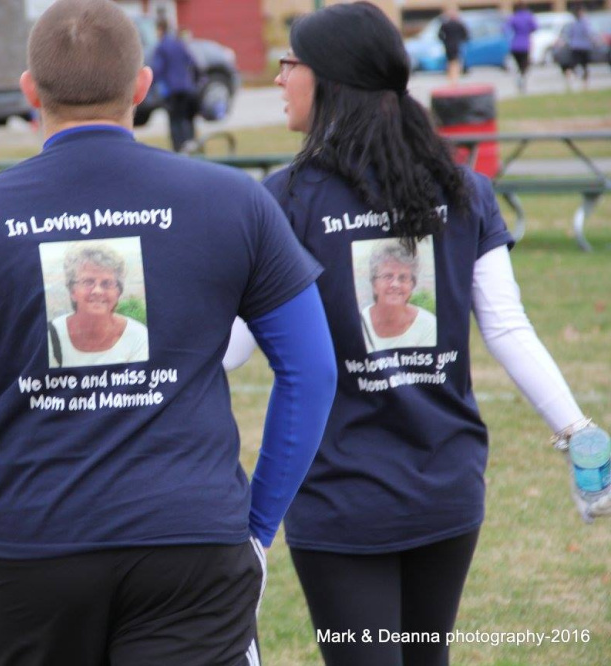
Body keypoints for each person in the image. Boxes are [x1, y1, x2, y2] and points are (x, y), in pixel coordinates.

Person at [0, 1, 337, 664]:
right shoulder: (234, 200)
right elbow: (312, 372)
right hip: (192, 541)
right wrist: (255, 524)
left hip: (34, 547)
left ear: (30, 92)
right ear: (142, 87)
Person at [256, 3, 608, 664]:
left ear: (332, 78)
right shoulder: (464, 190)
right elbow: (508, 327)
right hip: (444, 491)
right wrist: (576, 431)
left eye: (290, 62)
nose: (277, 78)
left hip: (344, 505)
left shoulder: (286, 202)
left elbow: (227, 352)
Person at [48, 242, 149, 367]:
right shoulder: (50, 337)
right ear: (72, 291)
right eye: (88, 282)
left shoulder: (138, 337)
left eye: (107, 283)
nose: (97, 291)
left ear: (118, 292)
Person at [360, 240, 437, 353]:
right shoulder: (360, 324)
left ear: (412, 285)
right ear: (374, 284)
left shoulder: (428, 326)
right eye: (388, 276)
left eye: (403, 278)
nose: (395, 284)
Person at [152, 17, 199, 152]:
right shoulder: (179, 43)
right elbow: (193, 62)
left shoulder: (161, 47)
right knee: (187, 118)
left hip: (171, 90)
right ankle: (191, 144)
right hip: (186, 87)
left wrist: (151, 85)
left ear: (160, 30)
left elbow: (158, 69)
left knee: (174, 120)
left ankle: (178, 148)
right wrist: (194, 81)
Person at [559, 6, 597, 90]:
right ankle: (584, 83)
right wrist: (594, 41)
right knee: (583, 66)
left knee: (575, 65)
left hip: (576, 47)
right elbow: (589, 33)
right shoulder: (584, 23)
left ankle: (578, 81)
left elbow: (568, 35)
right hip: (583, 47)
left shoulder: (574, 23)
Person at [505, 2, 537, 93]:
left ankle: (520, 78)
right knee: (525, 64)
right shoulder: (528, 16)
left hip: (515, 44)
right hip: (525, 44)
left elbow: (505, 28)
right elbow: (535, 27)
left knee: (519, 65)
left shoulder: (513, 17)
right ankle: (522, 78)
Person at [438, 8, 469, 85]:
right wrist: (461, 40)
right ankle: (455, 78)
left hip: (447, 45)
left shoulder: (445, 24)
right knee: (455, 61)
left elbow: (439, 35)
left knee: (449, 61)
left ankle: (450, 77)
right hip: (456, 45)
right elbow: (466, 35)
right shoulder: (459, 24)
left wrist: (444, 41)